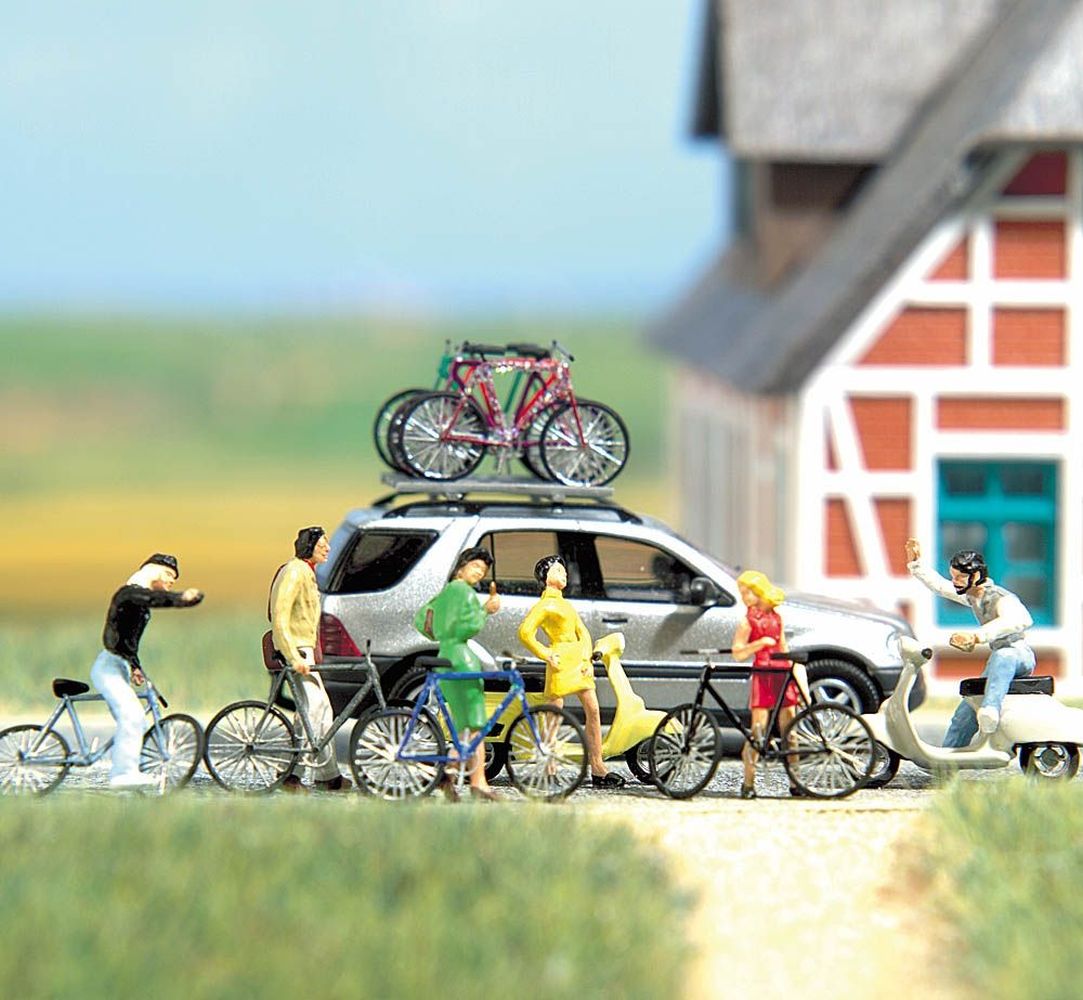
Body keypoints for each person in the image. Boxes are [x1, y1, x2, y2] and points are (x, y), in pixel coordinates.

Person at [905, 538, 1035, 747]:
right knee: (965, 712)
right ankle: (948, 756)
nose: (955, 581)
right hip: (997, 660)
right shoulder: (973, 596)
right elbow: (941, 587)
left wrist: (977, 636)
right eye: (953, 576)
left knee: (1004, 655)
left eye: (960, 577)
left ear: (975, 576)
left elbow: (1021, 619)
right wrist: (916, 565)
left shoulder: (1001, 597)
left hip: (1018, 654)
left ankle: (990, 709)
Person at [90, 553, 203, 789]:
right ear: (154, 570)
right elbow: (149, 601)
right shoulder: (129, 594)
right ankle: (122, 774)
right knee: (132, 716)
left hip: (119, 665)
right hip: (108, 666)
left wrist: (134, 666)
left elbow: (126, 639)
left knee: (136, 722)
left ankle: (128, 767)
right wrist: (180, 598)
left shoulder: (138, 601)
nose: (171, 581)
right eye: (169, 575)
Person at [517, 555, 625, 789]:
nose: (564, 574)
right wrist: (546, 653)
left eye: (564, 571)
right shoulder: (545, 605)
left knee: (593, 710)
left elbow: (583, 632)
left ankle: (597, 766)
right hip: (559, 660)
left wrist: (586, 657)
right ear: (545, 577)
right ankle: (548, 767)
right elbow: (525, 632)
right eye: (558, 571)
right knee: (554, 712)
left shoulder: (566, 605)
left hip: (578, 662)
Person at [414, 546, 502, 801]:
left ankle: (458, 774)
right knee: (475, 724)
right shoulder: (464, 592)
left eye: (483, 570)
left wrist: (440, 630)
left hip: (445, 656)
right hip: (462, 659)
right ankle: (472, 780)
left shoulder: (445, 593)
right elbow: (467, 627)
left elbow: (422, 620)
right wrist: (486, 609)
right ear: (461, 567)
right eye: (475, 566)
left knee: (466, 726)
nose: (479, 573)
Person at [271, 526, 349, 792]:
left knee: (321, 709)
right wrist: (293, 656)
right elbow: (280, 616)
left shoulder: (307, 572)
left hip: (304, 649)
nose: (328, 548)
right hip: (295, 650)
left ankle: (328, 775)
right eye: (322, 544)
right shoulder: (295, 571)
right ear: (309, 546)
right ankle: (290, 774)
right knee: (313, 709)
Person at [731, 569, 809, 799]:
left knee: (790, 732)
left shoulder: (777, 618)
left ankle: (796, 781)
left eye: (747, 592)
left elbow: (783, 647)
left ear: (759, 591)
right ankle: (748, 783)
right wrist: (758, 644)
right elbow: (737, 653)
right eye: (742, 593)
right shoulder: (747, 622)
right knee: (758, 731)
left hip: (781, 674)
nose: (744, 597)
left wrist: (795, 673)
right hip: (763, 676)